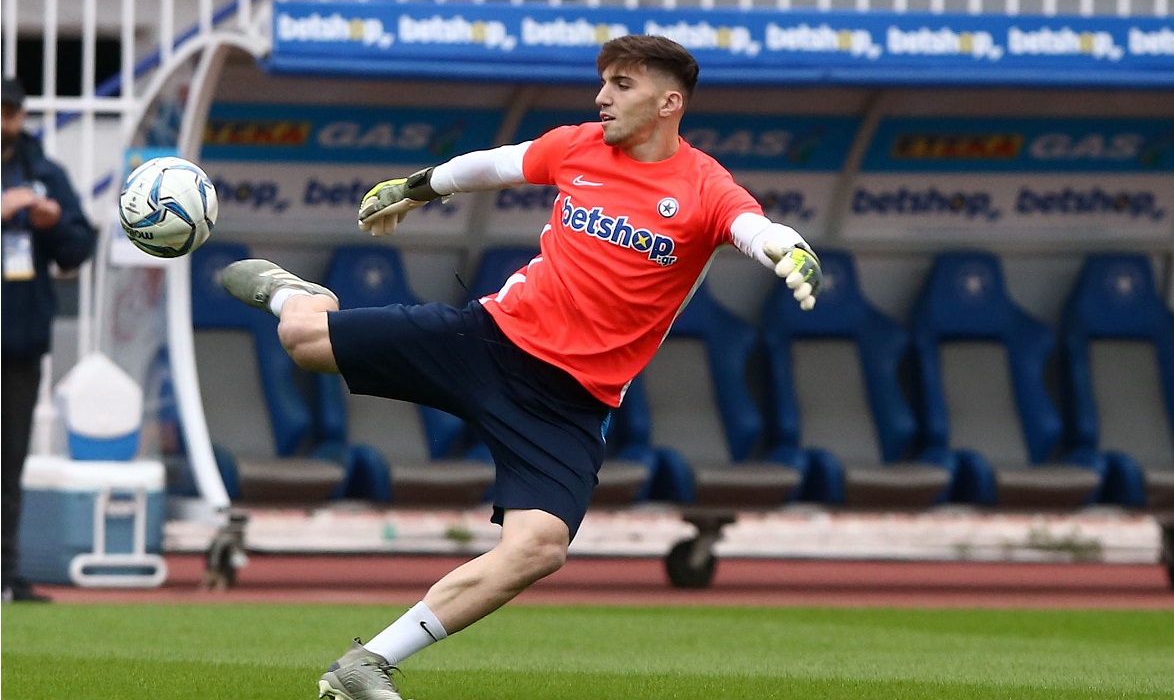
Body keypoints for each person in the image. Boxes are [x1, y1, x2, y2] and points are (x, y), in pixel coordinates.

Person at [219, 34, 822, 700]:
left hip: (570, 403)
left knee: (539, 547)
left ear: (669, 103)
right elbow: (491, 165)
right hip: (491, 341)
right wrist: (415, 189)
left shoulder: (704, 186)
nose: (602, 96)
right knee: (303, 338)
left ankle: (364, 665)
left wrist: (791, 251)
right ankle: (291, 293)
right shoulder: (576, 146)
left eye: (622, 85)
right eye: (603, 82)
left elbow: (753, 228)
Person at [2, 76, 97, 603]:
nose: (4, 122)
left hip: (19, 341)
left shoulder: (44, 172)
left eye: (11, 112)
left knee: (9, 464)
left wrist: (53, 221)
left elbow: (77, 248)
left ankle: (6, 574)